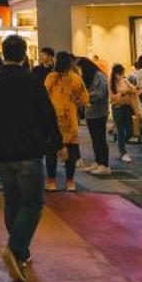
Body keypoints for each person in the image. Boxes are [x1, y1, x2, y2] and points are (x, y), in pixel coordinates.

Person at [0, 34, 55, 282]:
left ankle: (21, 253)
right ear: (25, 55)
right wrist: (56, 144)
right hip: (28, 150)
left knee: (12, 200)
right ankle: (15, 248)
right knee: (33, 203)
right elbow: (47, 115)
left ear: (3, 55)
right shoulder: (33, 81)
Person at [44, 51, 87, 192]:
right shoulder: (76, 78)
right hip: (70, 118)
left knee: (51, 151)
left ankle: (51, 181)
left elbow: (44, 96)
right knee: (71, 150)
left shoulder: (51, 77)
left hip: (53, 118)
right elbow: (85, 99)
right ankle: (70, 182)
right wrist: (76, 102)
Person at [79, 56, 111, 174]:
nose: (81, 72)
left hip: (100, 112)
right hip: (91, 112)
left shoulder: (100, 76)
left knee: (100, 139)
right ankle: (98, 162)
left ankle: (105, 165)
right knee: (95, 139)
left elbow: (99, 93)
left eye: (82, 69)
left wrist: (84, 96)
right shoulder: (91, 76)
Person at [108, 63, 139, 164]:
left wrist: (135, 89)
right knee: (120, 130)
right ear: (115, 74)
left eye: (122, 73)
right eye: (120, 74)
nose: (121, 76)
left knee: (130, 131)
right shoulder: (110, 83)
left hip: (127, 107)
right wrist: (123, 93)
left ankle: (120, 144)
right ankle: (123, 152)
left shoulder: (125, 80)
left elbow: (134, 89)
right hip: (117, 108)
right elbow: (112, 98)